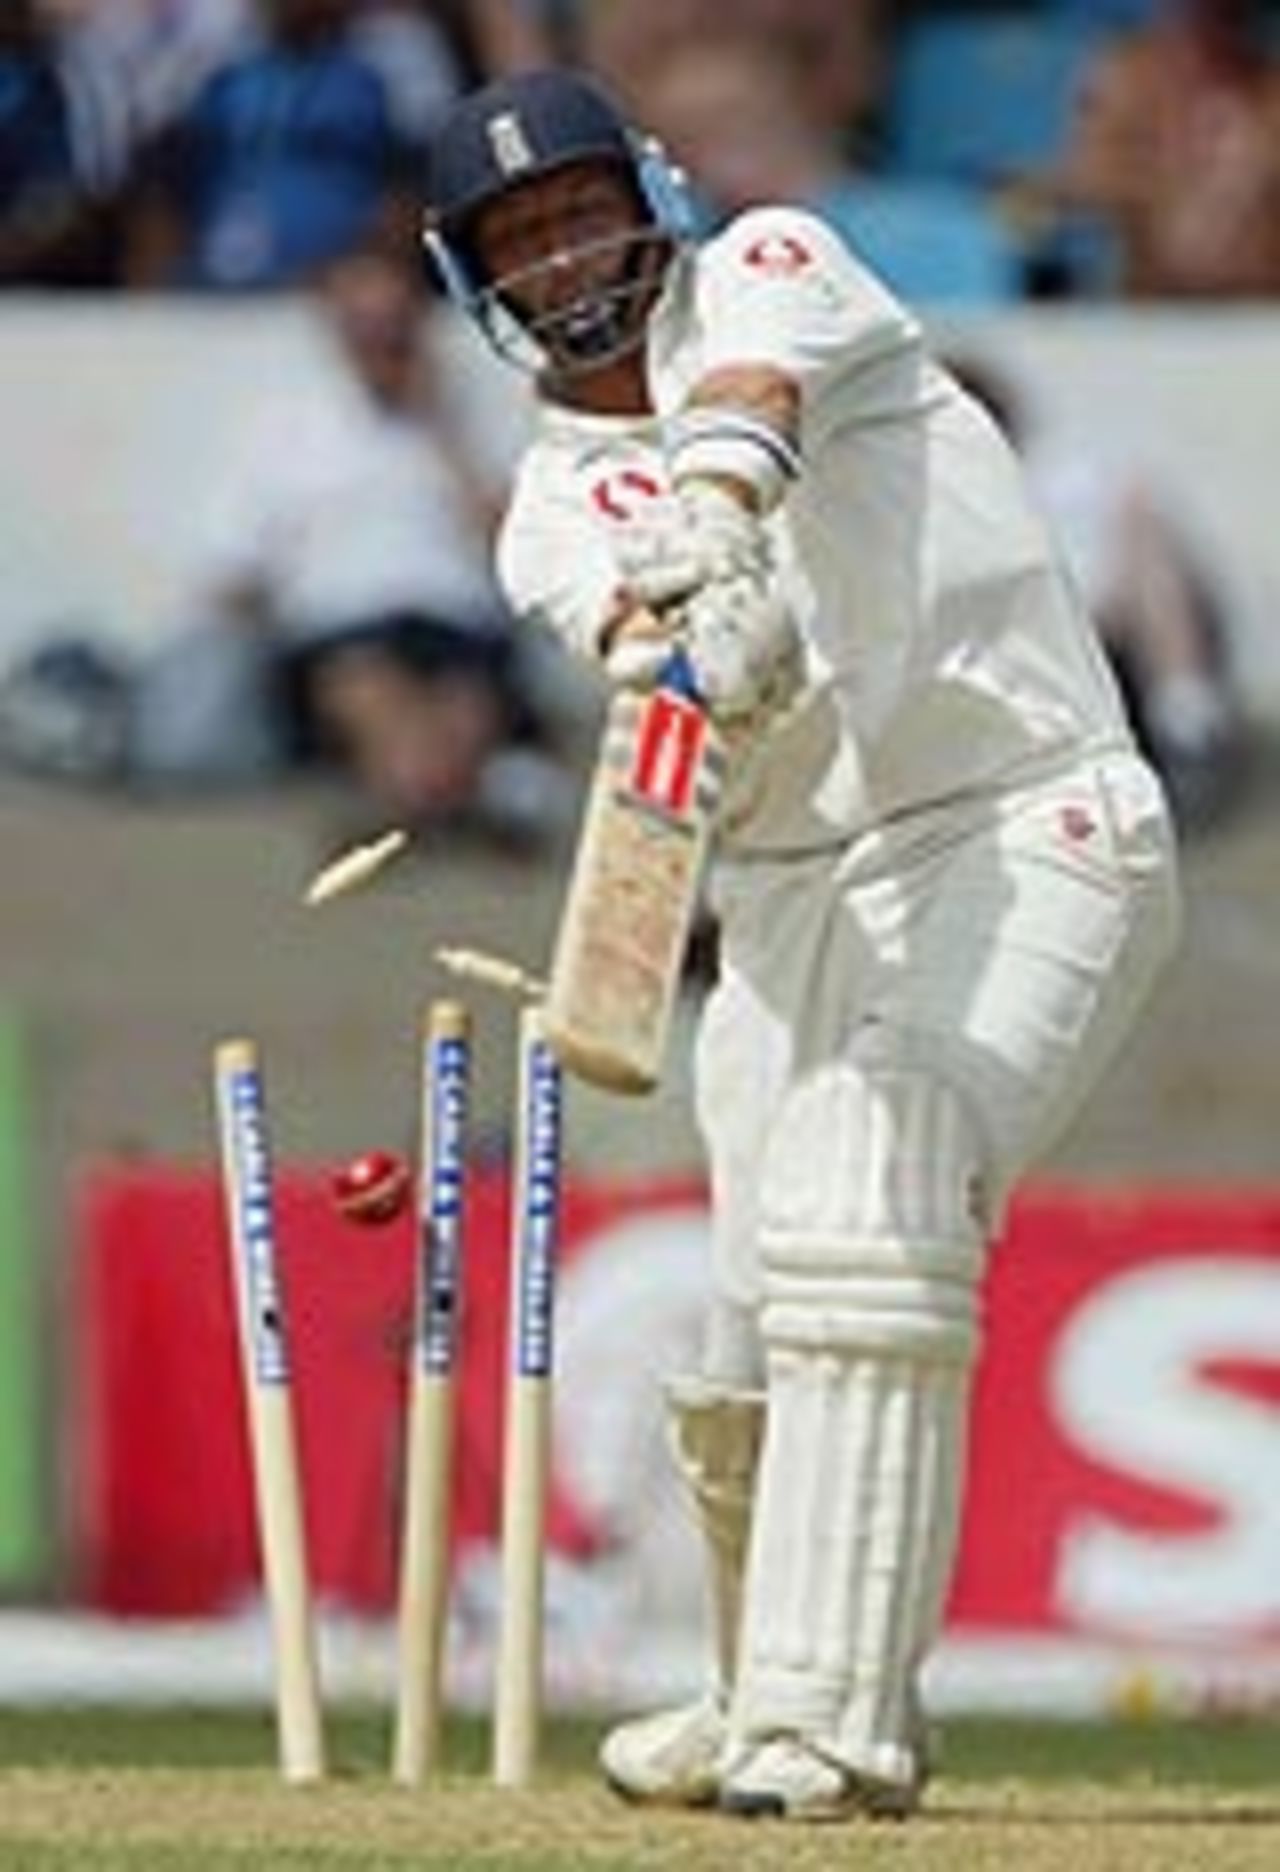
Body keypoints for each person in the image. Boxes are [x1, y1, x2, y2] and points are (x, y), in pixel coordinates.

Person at [420, 68, 1180, 1820]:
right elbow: (639, 639)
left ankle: (832, 1728)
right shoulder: (546, 509)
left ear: (651, 198)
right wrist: (699, 657)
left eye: (584, 210)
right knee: (753, 1318)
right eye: (524, 239)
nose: (567, 257)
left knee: (872, 1193)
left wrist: (719, 523)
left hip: (1017, 822)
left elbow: (751, 400)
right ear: (481, 279)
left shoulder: (776, 261)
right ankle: (752, 1678)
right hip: (783, 897)